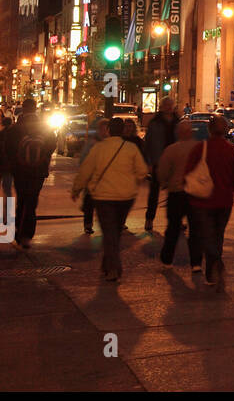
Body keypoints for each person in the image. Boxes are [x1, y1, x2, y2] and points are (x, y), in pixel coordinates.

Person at [71, 117, 148, 282]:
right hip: (126, 197)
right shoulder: (131, 148)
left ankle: (113, 267)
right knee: (115, 232)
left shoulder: (99, 148)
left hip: (104, 197)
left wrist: (76, 189)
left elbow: (86, 170)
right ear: (122, 131)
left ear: (108, 130)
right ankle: (108, 265)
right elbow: (142, 172)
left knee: (109, 233)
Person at [184, 114, 234, 289]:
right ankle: (213, 268)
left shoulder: (200, 149)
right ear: (225, 130)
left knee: (206, 234)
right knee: (218, 234)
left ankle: (214, 266)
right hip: (224, 200)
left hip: (202, 201)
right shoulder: (231, 150)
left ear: (209, 130)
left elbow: (187, 172)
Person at [3, 99, 57, 250]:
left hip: (20, 170)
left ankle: (18, 231)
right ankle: (27, 235)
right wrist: (44, 158)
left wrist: (14, 163)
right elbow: (52, 144)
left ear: (23, 110)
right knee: (32, 200)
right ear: (35, 109)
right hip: (38, 170)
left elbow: (8, 148)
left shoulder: (16, 128)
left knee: (22, 199)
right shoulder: (44, 127)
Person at [155, 118, 201, 271]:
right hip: (194, 193)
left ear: (178, 133)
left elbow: (162, 172)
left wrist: (165, 183)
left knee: (173, 228)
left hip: (176, 192)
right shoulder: (199, 148)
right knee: (195, 228)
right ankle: (196, 262)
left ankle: (167, 259)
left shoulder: (171, 150)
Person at [142, 97, 179, 233]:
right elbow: (148, 143)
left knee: (175, 193)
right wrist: (149, 162)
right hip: (158, 160)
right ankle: (149, 219)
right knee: (154, 193)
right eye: (166, 105)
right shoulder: (155, 123)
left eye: (170, 105)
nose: (168, 107)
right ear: (162, 107)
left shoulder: (177, 121)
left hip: (174, 162)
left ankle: (175, 220)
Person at [77, 118, 111, 233]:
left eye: (106, 129)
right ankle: (88, 224)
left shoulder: (111, 142)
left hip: (106, 177)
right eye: (102, 129)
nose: (104, 132)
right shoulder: (92, 143)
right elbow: (83, 159)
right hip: (93, 176)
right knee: (90, 199)